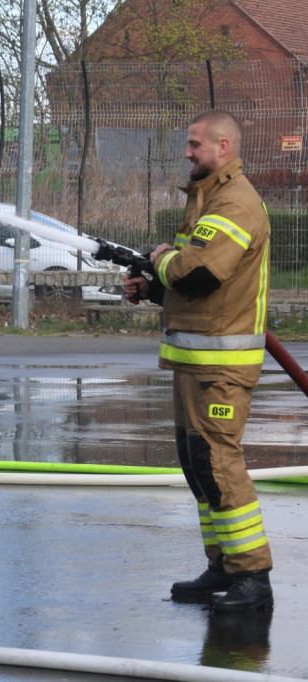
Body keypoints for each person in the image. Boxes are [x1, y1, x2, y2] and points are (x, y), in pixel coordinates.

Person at [124, 109, 273, 612]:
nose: (186, 153)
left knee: (218, 463)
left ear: (224, 147)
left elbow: (200, 271)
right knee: (199, 466)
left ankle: (254, 578)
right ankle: (224, 566)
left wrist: (161, 256)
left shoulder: (236, 204)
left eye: (194, 145)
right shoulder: (209, 199)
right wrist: (152, 287)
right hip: (195, 363)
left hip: (221, 371)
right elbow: (189, 285)